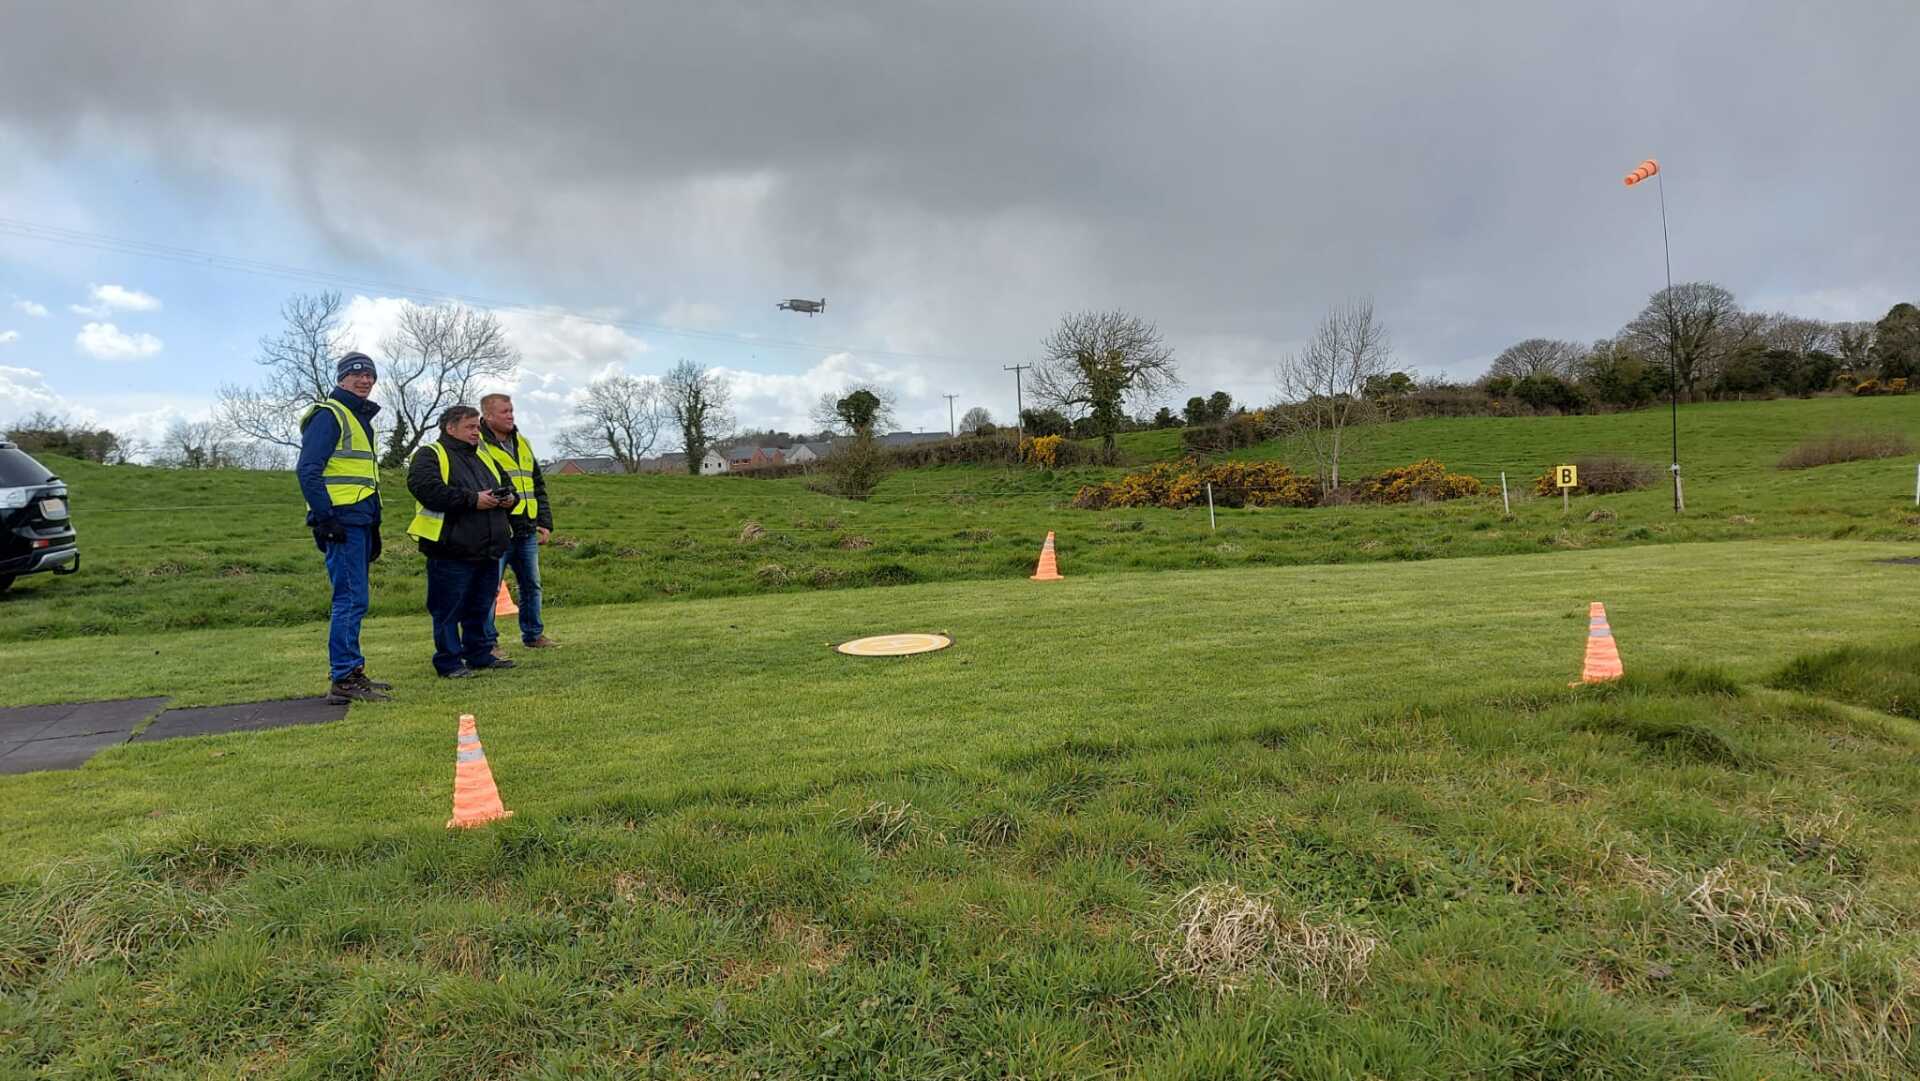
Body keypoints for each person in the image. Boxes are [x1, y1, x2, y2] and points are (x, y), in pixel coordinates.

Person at [296, 351, 391, 704]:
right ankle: (344, 678)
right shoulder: (330, 415)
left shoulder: (358, 417)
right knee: (350, 600)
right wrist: (326, 518)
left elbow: (363, 478)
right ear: (341, 378)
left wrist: (374, 525)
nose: (365, 380)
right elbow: (308, 470)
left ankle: (352, 671)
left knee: (356, 599)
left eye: (370, 375)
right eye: (357, 374)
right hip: (343, 520)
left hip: (359, 519)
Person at [406, 405, 519, 679]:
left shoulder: (484, 457)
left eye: (477, 427)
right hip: (450, 549)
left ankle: (480, 654)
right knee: (448, 610)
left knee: (480, 607)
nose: (476, 432)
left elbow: (509, 486)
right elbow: (427, 490)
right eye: (470, 427)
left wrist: (509, 499)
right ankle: (449, 662)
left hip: (488, 548)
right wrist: (473, 500)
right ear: (450, 427)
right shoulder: (430, 454)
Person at [477, 393, 558, 656]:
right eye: (505, 412)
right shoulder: (478, 443)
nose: (511, 416)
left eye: (511, 410)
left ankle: (533, 634)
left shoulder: (522, 442)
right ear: (488, 415)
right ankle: (488, 642)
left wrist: (544, 522)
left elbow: (538, 485)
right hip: (497, 527)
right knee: (489, 588)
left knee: (532, 585)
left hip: (526, 528)